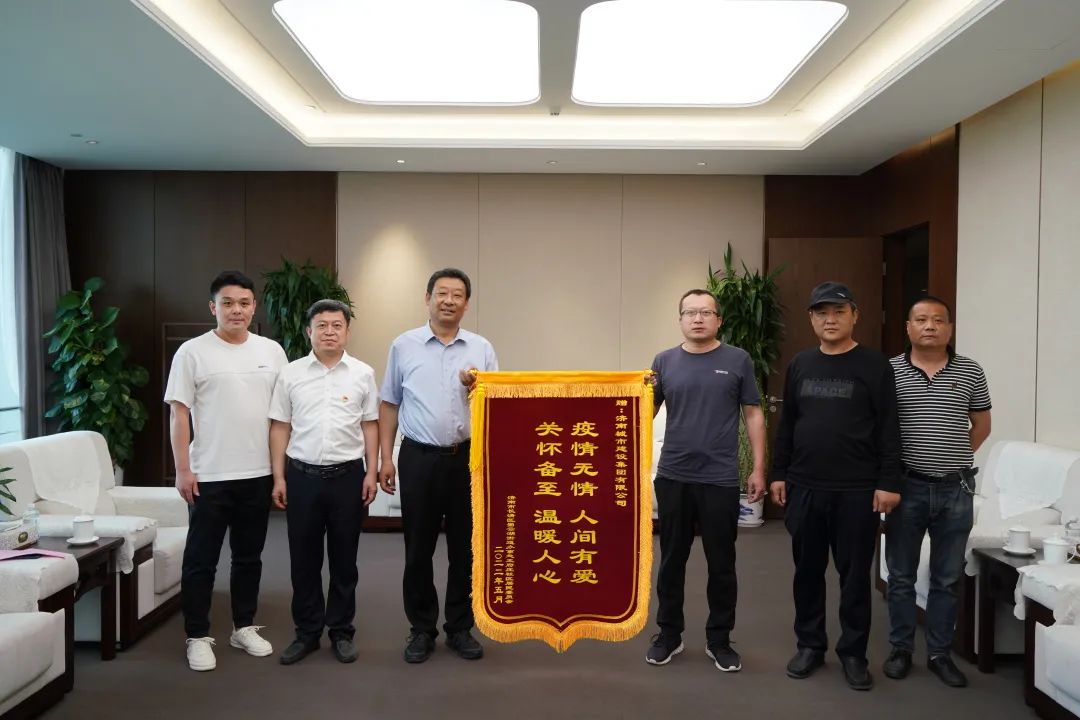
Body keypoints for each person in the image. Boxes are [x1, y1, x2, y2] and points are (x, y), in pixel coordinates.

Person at [770, 281, 901, 691]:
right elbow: (788, 424)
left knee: (855, 577)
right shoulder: (800, 364)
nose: (830, 320)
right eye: (822, 313)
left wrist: (888, 481)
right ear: (812, 319)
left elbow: (889, 428)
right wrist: (778, 472)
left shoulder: (875, 366)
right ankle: (809, 645)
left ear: (854, 316)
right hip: (805, 486)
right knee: (807, 572)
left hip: (857, 490)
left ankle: (853, 653)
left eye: (839, 312)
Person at [164, 270, 287, 672]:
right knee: (201, 560)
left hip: (257, 473)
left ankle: (243, 626)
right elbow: (179, 414)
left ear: (254, 307)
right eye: (228, 303)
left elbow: (281, 417)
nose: (237, 310)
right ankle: (197, 636)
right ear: (212, 307)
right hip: (209, 475)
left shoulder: (272, 351)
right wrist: (182, 469)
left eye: (244, 303)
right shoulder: (192, 352)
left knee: (249, 558)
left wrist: (278, 473)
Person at [378, 268, 498, 664]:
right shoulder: (404, 345)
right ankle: (421, 629)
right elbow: (390, 403)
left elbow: (497, 405)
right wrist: (385, 458)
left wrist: (477, 389)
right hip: (418, 458)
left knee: (466, 549)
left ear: (467, 303)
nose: (449, 300)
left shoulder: (481, 347)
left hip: (467, 459)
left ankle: (460, 627)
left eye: (457, 295)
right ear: (427, 298)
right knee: (418, 549)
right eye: (441, 293)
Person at [645, 289, 766, 672]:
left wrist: (758, 468)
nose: (697, 318)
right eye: (690, 312)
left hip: (719, 478)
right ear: (680, 319)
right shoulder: (663, 361)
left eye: (705, 312)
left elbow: (753, 414)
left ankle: (719, 639)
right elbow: (640, 413)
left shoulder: (737, 360)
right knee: (671, 561)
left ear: (719, 320)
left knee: (722, 562)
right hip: (673, 476)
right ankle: (669, 634)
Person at [883, 296, 991, 688]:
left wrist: (953, 458)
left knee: (947, 577)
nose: (930, 326)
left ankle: (939, 654)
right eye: (922, 320)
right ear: (908, 327)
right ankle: (900, 650)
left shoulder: (970, 370)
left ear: (950, 328)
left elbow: (981, 425)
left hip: (956, 489)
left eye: (938, 320)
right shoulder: (889, 370)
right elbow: (880, 429)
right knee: (901, 576)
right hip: (906, 487)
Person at [269, 299, 380, 665]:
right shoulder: (291, 374)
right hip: (302, 477)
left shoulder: (362, 373)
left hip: (348, 478)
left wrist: (371, 471)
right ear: (309, 331)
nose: (329, 332)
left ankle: (341, 631)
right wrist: (279, 476)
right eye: (322, 325)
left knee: (345, 560)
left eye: (336, 325)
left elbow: (370, 425)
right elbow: (280, 426)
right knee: (304, 559)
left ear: (347, 331)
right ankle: (307, 632)